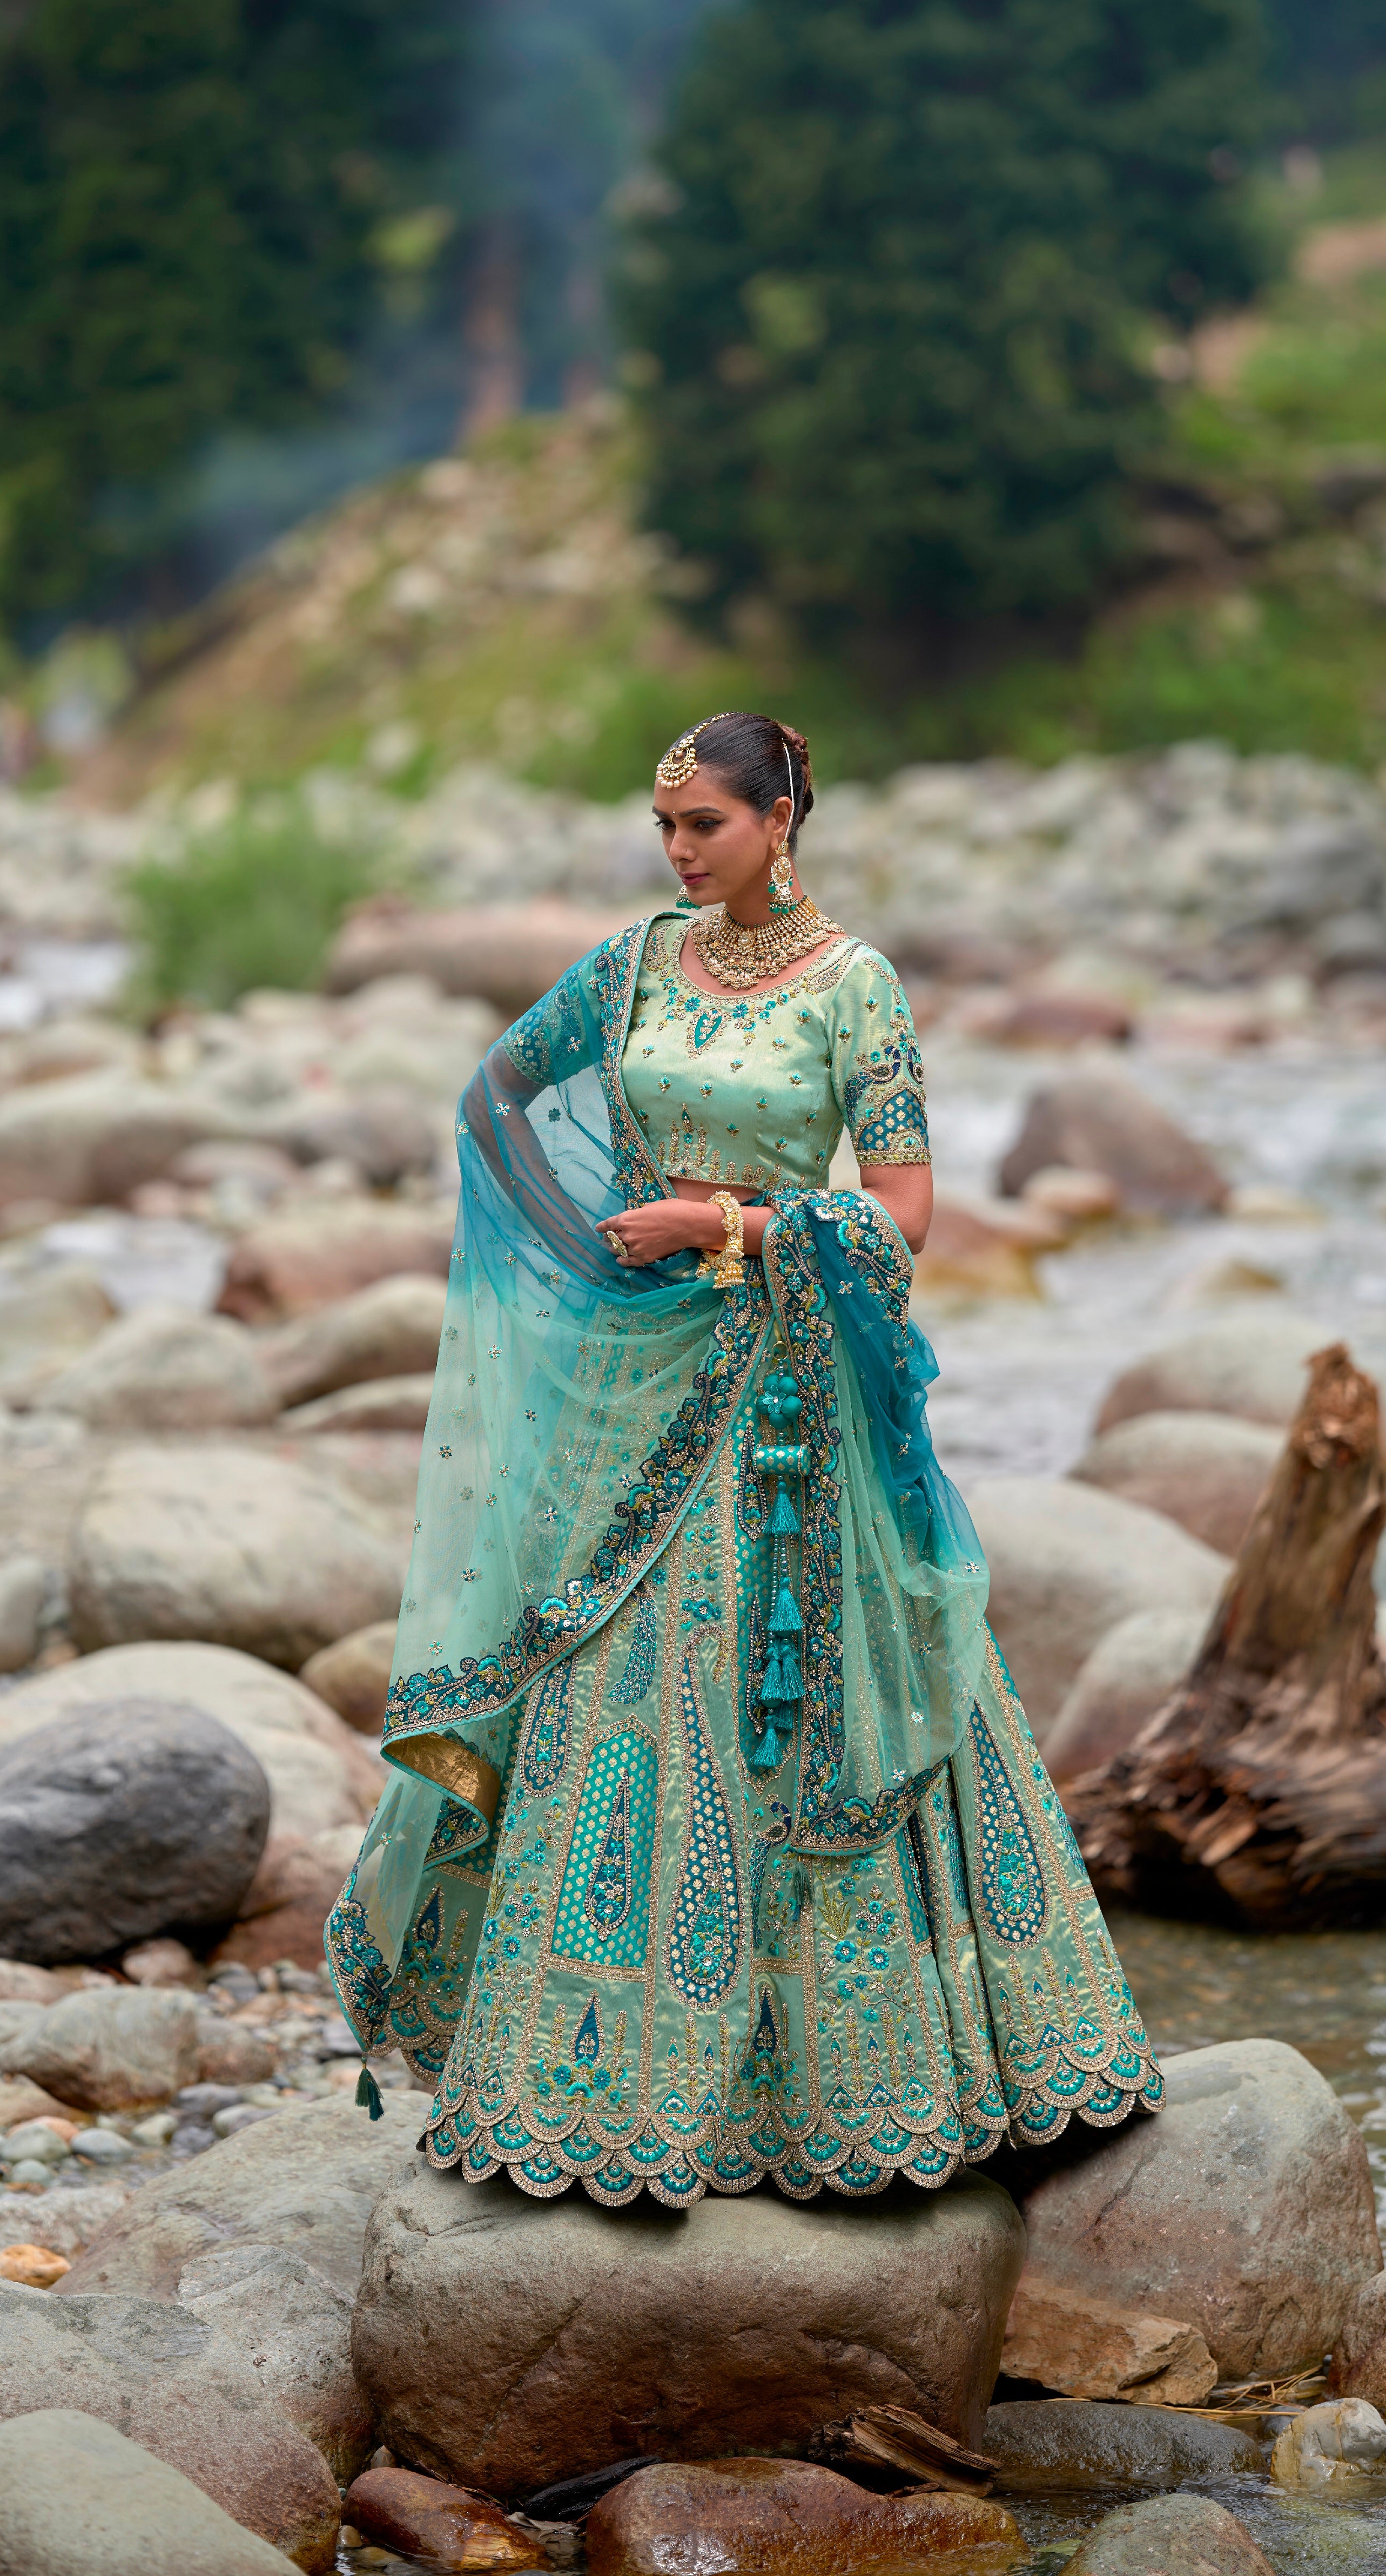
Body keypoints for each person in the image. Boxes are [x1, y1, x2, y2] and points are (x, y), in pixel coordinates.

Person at [328, 712, 1160, 2207]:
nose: (674, 852)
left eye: (701, 826)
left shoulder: (861, 991)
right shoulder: (632, 964)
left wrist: (734, 1229)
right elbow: (492, 1098)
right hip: (632, 1377)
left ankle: (864, 2092)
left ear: (778, 822)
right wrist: (585, 1255)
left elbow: (899, 1217)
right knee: (606, 1672)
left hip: (784, 1392)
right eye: (664, 829)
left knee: (801, 1683)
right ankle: (578, 2084)